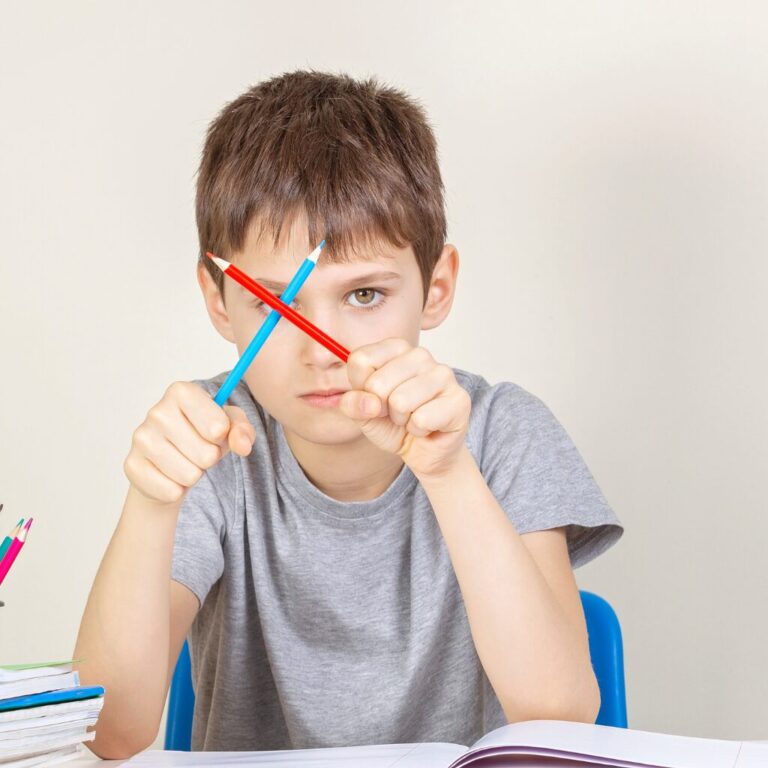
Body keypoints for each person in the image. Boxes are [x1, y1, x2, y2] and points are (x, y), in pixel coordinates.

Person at [74, 70, 623, 758]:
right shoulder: (208, 444)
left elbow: (560, 713)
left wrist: (450, 475)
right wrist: (151, 505)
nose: (319, 351)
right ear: (219, 302)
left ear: (436, 287)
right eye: (274, 305)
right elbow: (110, 733)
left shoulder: (502, 433)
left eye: (364, 294)